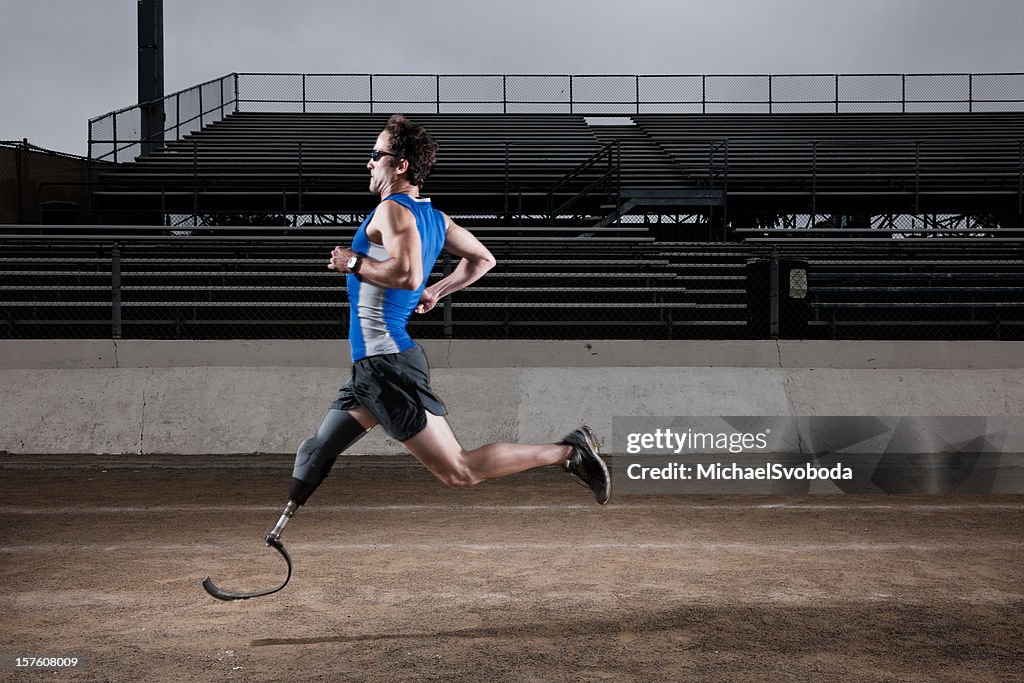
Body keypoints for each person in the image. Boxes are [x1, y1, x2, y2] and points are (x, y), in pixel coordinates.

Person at [283, 114, 609, 520]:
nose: (368, 163)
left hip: (387, 365)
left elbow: (407, 274)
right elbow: (482, 259)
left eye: (375, 154)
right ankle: (279, 528)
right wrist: (438, 291)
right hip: (372, 366)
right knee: (318, 447)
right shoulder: (436, 219)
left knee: (459, 471)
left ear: (400, 165)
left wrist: (353, 264)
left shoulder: (392, 212)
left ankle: (568, 451)